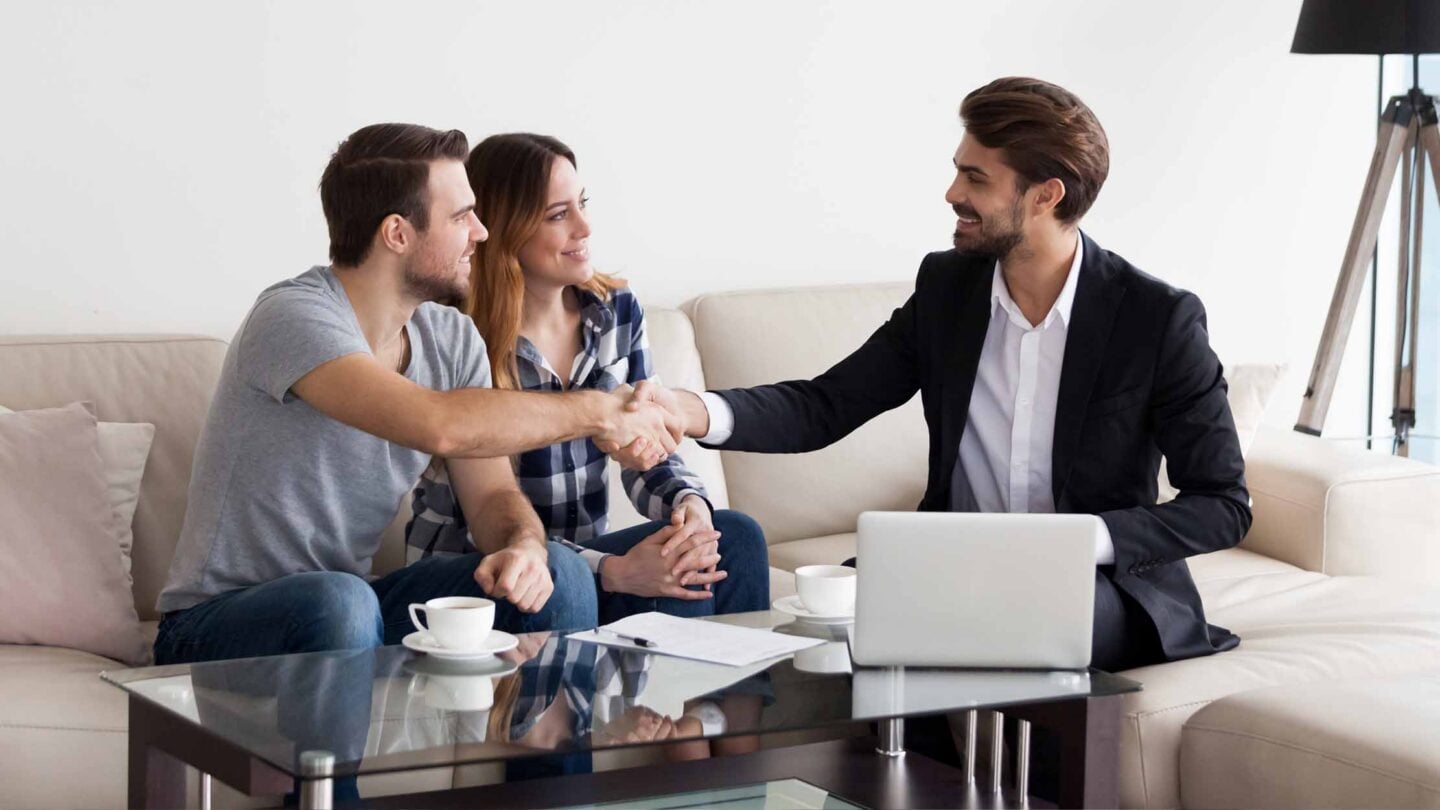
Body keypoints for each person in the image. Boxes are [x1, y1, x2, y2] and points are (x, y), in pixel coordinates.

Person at [638, 76, 1250, 728]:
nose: (953, 193)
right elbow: (827, 403)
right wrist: (689, 409)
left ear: (1046, 195)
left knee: (991, 626)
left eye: (976, 178)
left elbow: (1222, 505)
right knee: (838, 625)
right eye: (958, 172)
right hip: (951, 571)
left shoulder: (1156, 319)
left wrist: (1076, 543)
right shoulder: (947, 290)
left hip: (1097, 587)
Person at [154, 123, 686, 665]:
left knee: (558, 571)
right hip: (215, 622)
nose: (481, 233)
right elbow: (438, 423)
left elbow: (491, 497)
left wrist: (522, 543)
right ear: (397, 234)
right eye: (461, 218)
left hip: (352, 606)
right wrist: (600, 411)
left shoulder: (451, 337)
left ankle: (553, 751)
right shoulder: (293, 317)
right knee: (339, 599)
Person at [405, 132, 770, 630]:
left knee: (729, 539)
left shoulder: (615, 313)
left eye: (582, 204)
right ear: (505, 229)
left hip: (582, 562)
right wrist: (614, 571)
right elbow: (485, 519)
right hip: (486, 572)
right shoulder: (455, 336)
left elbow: (649, 453)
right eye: (559, 215)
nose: (585, 226)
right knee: (603, 571)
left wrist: (688, 509)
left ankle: (713, 712)